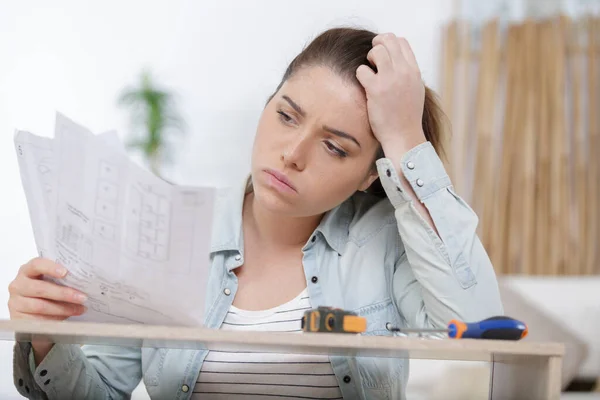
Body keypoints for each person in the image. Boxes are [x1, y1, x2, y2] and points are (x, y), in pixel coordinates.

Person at [9, 27, 503, 400]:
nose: (293, 153)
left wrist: (405, 140)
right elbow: (98, 392)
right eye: (286, 116)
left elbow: (478, 329)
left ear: (370, 174)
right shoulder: (173, 232)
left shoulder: (386, 243)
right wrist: (49, 336)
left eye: (334, 147)